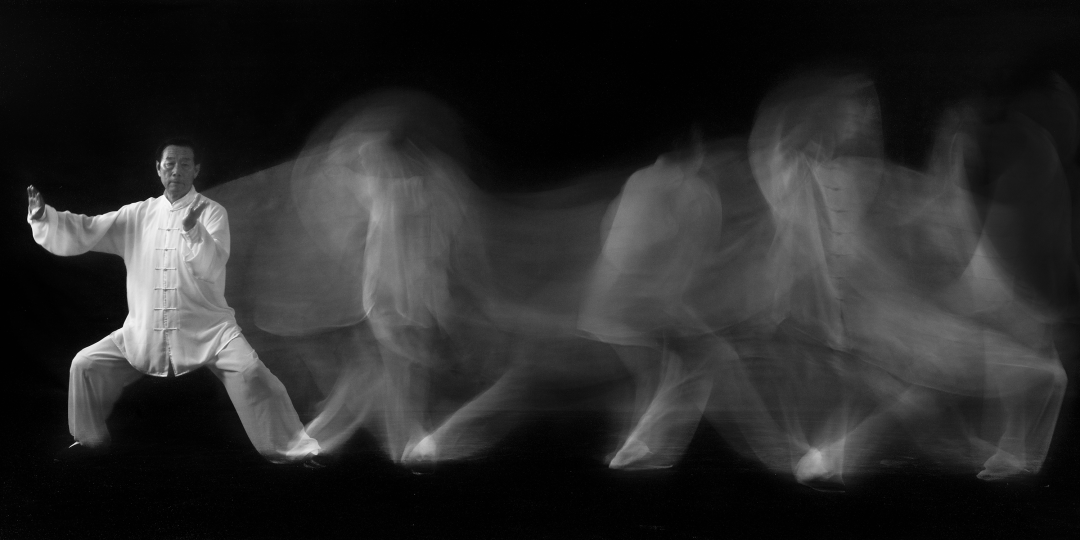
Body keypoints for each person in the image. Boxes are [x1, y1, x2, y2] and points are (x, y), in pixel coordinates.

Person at [27, 138, 323, 466]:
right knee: (84, 364)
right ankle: (89, 441)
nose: (176, 171)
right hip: (145, 329)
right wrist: (45, 218)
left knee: (253, 375)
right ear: (158, 169)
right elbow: (88, 229)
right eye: (170, 164)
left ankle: (296, 449)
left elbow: (211, 267)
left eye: (185, 164)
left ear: (196, 170)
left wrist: (193, 230)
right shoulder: (136, 215)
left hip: (209, 328)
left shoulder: (212, 212)